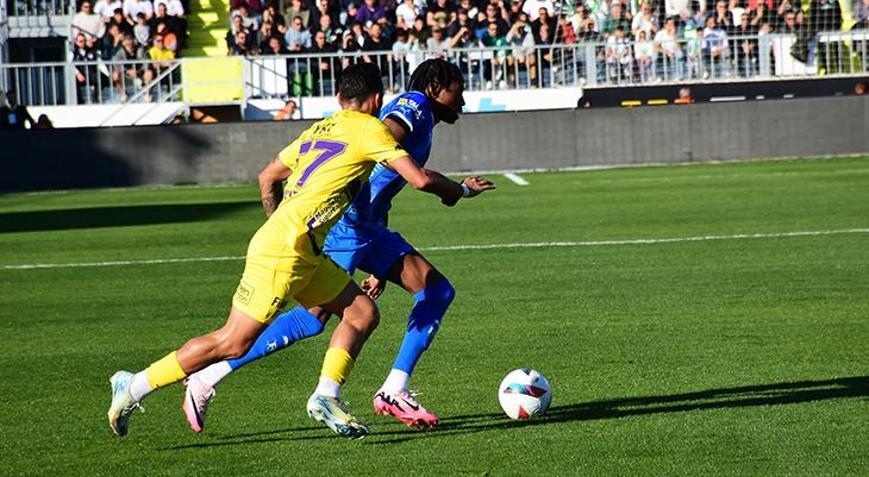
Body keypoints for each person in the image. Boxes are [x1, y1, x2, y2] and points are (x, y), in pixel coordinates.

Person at [106, 62, 495, 439]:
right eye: (457, 91)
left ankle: (327, 396)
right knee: (234, 340)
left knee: (360, 313)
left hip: (308, 241)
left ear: (339, 97)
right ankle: (138, 384)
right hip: (299, 244)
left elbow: (268, 176)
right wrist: (458, 191)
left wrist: (280, 222)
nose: (461, 100)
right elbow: (419, 179)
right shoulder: (392, 118)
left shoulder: (322, 127)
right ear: (377, 99)